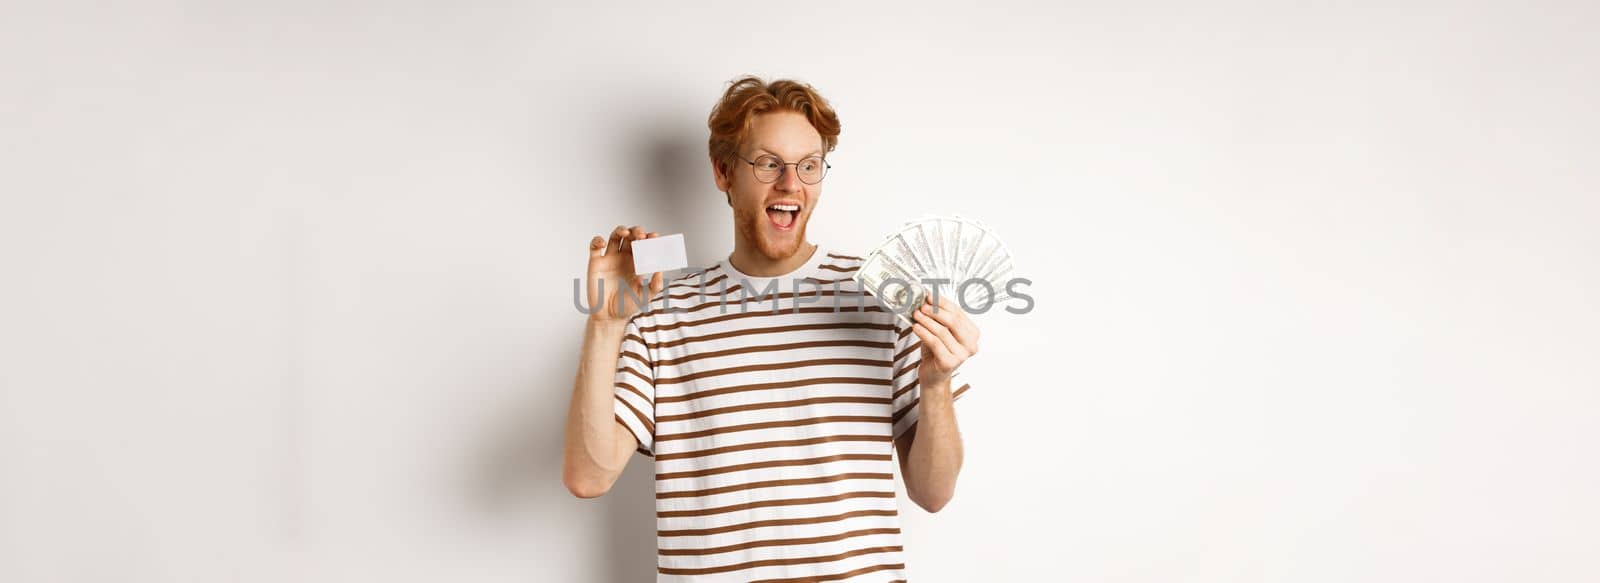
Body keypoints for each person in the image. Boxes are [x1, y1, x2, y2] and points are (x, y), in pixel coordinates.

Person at [561, 76, 978, 582]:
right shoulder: (662, 313)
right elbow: (588, 476)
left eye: (808, 166)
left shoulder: (882, 296)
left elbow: (933, 493)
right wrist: (606, 323)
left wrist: (935, 384)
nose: (790, 184)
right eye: (768, 163)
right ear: (722, 171)